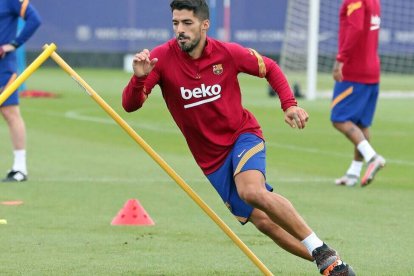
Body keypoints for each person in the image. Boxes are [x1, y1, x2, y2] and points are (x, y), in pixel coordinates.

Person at [122, 1, 355, 275]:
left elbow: (269, 67)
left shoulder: (227, 53)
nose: (180, 30)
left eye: (187, 23)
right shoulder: (161, 59)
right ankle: (334, 267)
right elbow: (130, 105)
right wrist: (139, 79)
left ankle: (320, 249)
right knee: (266, 224)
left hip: (242, 136)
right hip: (211, 161)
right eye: (176, 23)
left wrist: (289, 104)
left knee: (251, 191)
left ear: (204, 25)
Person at [331, 0, 385, 187]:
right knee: (361, 124)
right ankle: (353, 173)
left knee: (339, 118)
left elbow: (355, 29)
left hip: (354, 72)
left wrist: (340, 60)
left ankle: (372, 157)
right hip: (372, 70)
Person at [0, 0, 41, 182]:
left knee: (10, 112)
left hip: (3, 68)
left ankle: (19, 168)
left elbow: (34, 19)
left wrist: (13, 44)